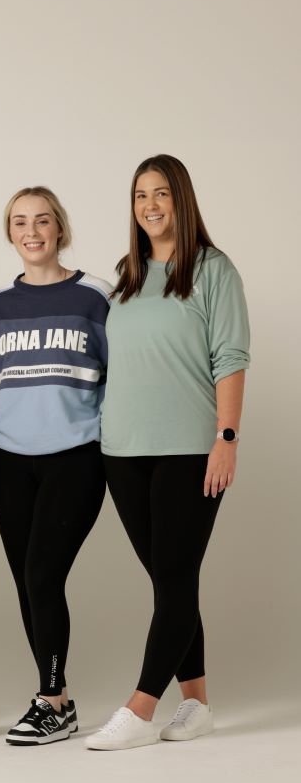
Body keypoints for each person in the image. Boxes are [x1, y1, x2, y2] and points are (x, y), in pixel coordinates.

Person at [86, 154, 250, 751]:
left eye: (161, 194)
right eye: (140, 196)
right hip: (123, 451)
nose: (150, 205)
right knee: (169, 580)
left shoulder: (213, 269)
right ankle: (198, 705)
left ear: (182, 199)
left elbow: (230, 358)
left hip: (188, 448)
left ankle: (140, 706)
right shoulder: (126, 275)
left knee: (175, 577)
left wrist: (226, 439)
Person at [0, 187, 110, 746]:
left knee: (42, 574)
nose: (31, 231)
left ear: (59, 228)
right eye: (20, 222)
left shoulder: (95, 297)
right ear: (9, 232)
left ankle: (53, 700)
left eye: (42, 221)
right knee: (27, 582)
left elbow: (122, 378)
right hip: (9, 460)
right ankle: (54, 697)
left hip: (76, 456)